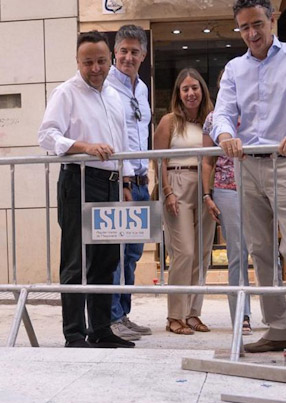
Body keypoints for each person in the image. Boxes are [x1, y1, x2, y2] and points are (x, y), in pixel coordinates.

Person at [210, 0, 286, 358]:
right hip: (247, 165)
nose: (251, 33)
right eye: (244, 27)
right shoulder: (235, 69)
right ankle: (277, 330)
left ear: (273, 20)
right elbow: (222, 114)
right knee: (260, 250)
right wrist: (226, 136)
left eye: (257, 24)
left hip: (285, 161)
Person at [38, 31, 136, 348]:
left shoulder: (114, 96)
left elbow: (122, 142)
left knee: (106, 261)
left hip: (111, 183)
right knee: (76, 261)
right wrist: (85, 147)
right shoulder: (66, 93)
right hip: (79, 181)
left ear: (110, 60)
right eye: (88, 62)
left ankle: (101, 330)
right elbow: (47, 135)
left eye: (101, 61)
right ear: (78, 62)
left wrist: (126, 182)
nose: (95, 68)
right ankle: (74, 333)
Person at [153, 68, 220, 335]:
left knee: (202, 254)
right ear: (178, 94)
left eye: (195, 88)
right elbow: (158, 160)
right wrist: (167, 191)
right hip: (177, 183)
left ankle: (192, 313)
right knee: (184, 253)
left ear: (202, 90)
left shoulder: (211, 121)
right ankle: (174, 316)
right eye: (185, 89)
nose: (191, 93)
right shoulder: (169, 121)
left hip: (205, 187)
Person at [106, 24, 154, 341]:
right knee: (116, 253)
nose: (128, 57)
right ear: (115, 51)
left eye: (134, 51)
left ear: (143, 55)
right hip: (120, 182)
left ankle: (124, 313)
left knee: (134, 253)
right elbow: (114, 136)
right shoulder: (107, 86)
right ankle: (112, 318)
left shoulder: (142, 89)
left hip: (140, 181)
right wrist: (124, 181)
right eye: (123, 50)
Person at [202, 68, 253, 334]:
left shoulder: (258, 112)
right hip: (227, 188)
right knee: (237, 253)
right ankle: (241, 315)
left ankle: (275, 317)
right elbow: (207, 160)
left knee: (268, 252)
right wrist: (207, 194)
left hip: (259, 187)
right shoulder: (213, 118)